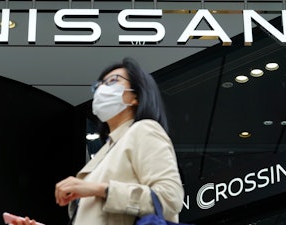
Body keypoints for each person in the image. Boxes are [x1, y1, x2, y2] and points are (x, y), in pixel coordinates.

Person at [13, 57, 184, 225]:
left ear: (135, 97)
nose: (102, 89)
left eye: (112, 81)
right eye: (98, 85)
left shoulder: (144, 130)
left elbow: (169, 199)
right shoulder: (106, 152)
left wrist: (100, 189)